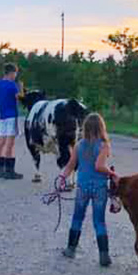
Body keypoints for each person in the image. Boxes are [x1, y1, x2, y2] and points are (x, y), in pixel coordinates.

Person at [58, 113, 118, 266]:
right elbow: (99, 166)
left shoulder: (79, 145)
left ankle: (71, 249)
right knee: (99, 221)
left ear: (85, 128)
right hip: (99, 188)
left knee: (78, 217)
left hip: (83, 187)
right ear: (101, 127)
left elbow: (70, 166)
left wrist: (62, 178)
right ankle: (104, 256)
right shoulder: (104, 145)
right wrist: (112, 174)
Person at [0, 62, 25, 180]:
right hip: (12, 116)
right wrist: (21, 88)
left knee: (1, 142)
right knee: (10, 143)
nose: (16, 75)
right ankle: (9, 171)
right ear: (12, 73)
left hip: (2, 116)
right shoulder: (12, 85)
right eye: (15, 73)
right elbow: (20, 97)